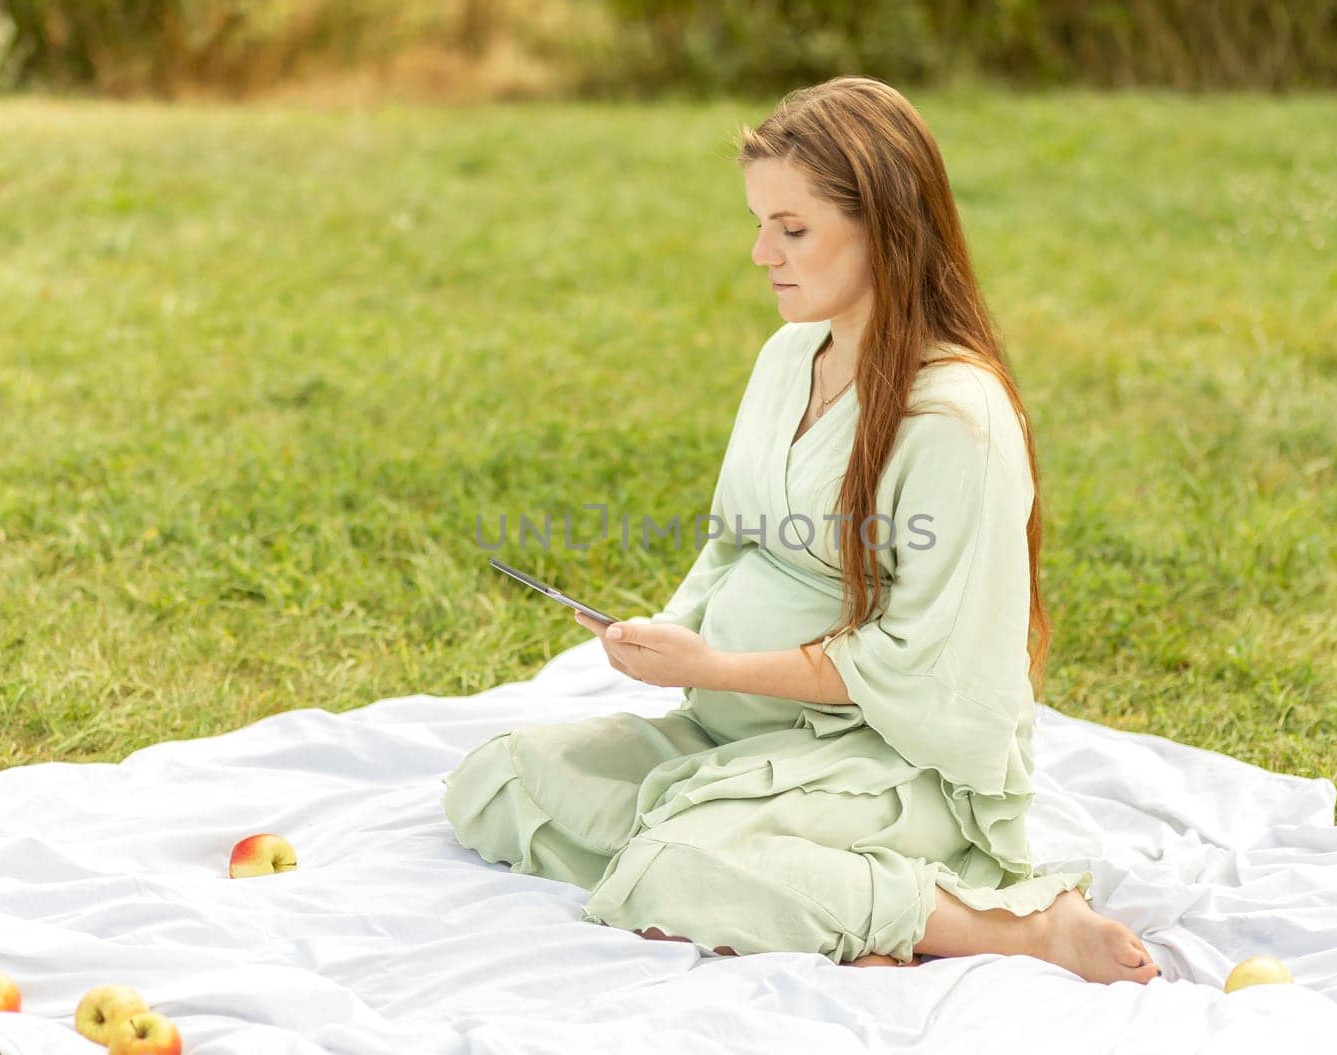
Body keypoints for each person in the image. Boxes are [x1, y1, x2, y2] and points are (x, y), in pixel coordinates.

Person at [442, 75, 1161, 984]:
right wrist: (673, 637)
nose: (759, 253)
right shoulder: (790, 356)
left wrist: (715, 667)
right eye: (758, 223)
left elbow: (924, 669)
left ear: (887, 231)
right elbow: (734, 539)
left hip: (892, 765)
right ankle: (798, 880)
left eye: (792, 229)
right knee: (501, 780)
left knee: (679, 863)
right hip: (735, 730)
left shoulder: (955, 422)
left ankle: (1017, 928)